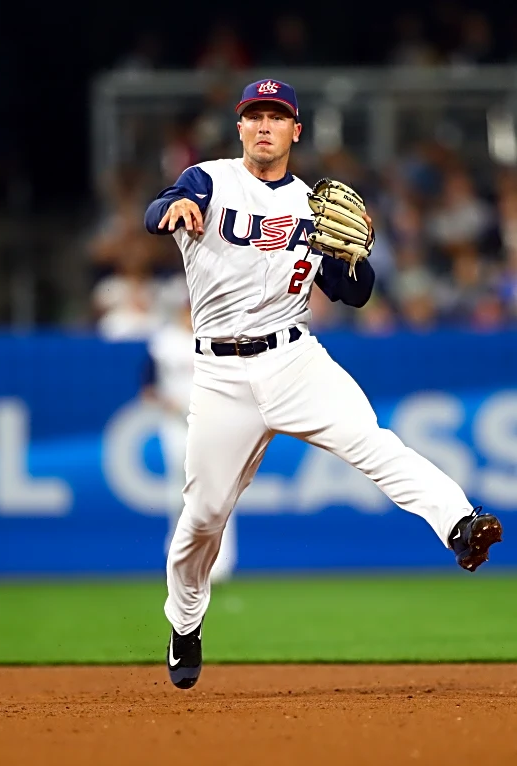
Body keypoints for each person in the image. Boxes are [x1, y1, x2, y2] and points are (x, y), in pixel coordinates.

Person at [143, 79, 503, 690]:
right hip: (221, 374)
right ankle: (184, 624)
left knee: (374, 442)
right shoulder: (209, 180)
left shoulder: (313, 206)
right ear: (239, 128)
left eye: (276, 117)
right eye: (254, 115)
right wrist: (172, 209)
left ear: (295, 132)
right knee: (202, 518)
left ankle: (460, 523)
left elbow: (354, 293)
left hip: (294, 359)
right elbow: (161, 208)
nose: (264, 126)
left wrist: (357, 258)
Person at [142, 293, 237, 583]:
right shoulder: (164, 342)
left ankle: (219, 563)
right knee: (181, 491)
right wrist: (162, 400)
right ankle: (180, 559)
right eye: (189, 310)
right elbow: (146, 385)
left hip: (213, 424)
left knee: (220, 491)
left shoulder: (220, 336)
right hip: (176, 424)